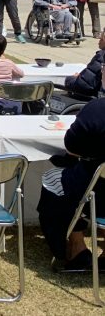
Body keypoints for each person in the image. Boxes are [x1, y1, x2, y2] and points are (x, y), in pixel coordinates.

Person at [38, 97, 105, 270]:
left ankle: (77, 246)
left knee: (53, 179)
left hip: (94, 193)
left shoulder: (97, 108)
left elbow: (72, 148)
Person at [64, 29, 105, 99]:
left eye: (102, 37)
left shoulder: (102, 56)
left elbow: (84, 85)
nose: (99, 39)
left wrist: (70, 79)